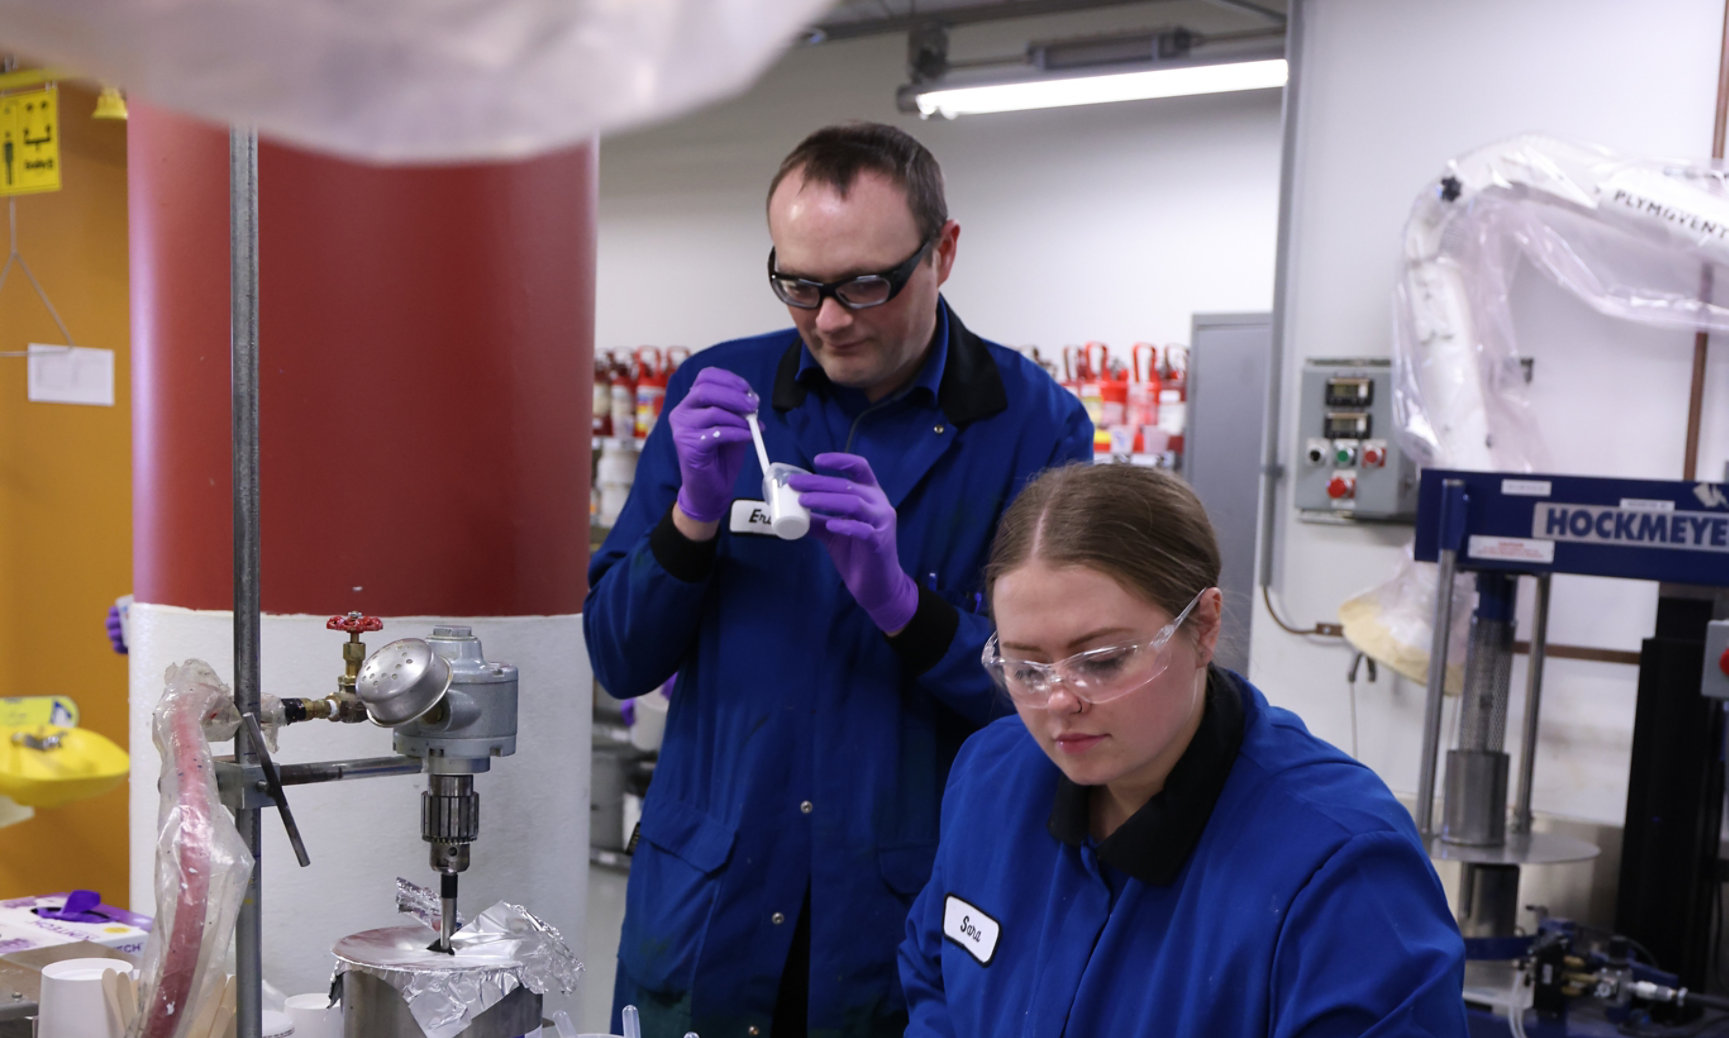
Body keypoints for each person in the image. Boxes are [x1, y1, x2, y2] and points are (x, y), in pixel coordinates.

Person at [584, 122, 1093, 1037]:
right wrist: (692, 517)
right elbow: (619, 656)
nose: (828, 320)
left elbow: (1050, 703)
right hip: (709, 899)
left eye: (865, 284)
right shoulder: (716, 392)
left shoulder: (1033, 427)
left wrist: (902, 603)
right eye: (799, 287)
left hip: (898, 908)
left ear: (942, 252)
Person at [899, 464, 1469, 1037]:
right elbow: (935, 978)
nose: (1059, 701)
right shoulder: (992, 777)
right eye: (1027, 668)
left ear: (1204, 626)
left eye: (1101, 661)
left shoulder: (1340, 867)